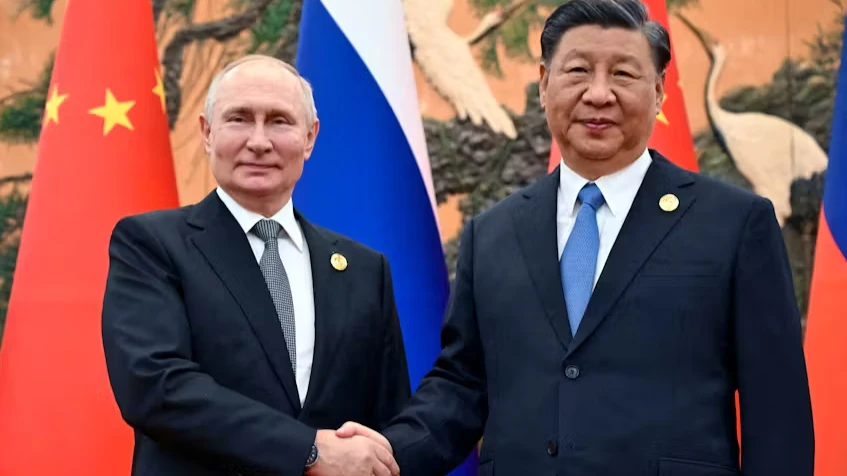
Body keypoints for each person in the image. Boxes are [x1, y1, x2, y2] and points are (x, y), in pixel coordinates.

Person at [337, 0, 815, 474]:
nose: (599, 94)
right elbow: (462, 386)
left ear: (659, 91)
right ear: (545, 84)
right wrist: (384, 457)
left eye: (624, 74)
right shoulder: (494, 233)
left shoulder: (734, 223)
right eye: (578, 71)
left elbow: (777, 412)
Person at [101, 55, 406, 476]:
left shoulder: (363, 270)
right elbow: (155, 387)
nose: (259, 141)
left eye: (279, 121)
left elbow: (386, 420)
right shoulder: (151, 245)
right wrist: (308, 450)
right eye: (240, 119)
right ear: (207, 133)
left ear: (310, 137)